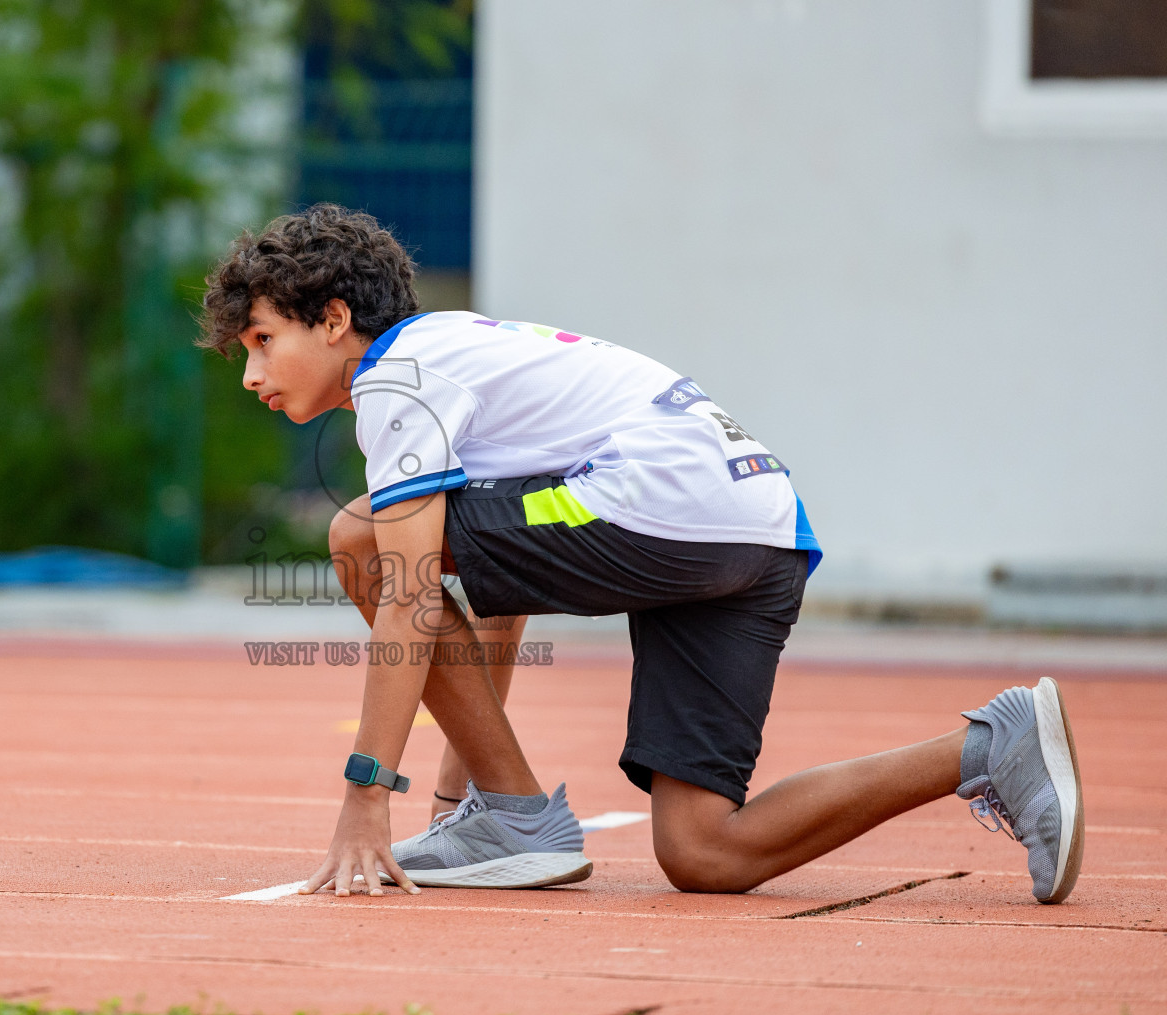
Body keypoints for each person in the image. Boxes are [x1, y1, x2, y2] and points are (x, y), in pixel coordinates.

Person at [195, 203, 1085, 904]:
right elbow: (500, 591)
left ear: (336, 318)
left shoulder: (398, 376)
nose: (251, 375)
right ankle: (989, 746)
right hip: (760, 527)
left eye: (264, 341)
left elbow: (413, 593)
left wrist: (366, 802)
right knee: (705, 851)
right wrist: (453, 805)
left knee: (362, 541)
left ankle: (510, 817)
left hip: (669, 505)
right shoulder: (471, 354)